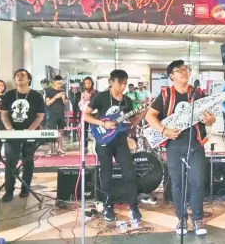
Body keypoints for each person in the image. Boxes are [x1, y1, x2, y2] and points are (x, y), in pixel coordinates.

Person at [145, 60, 216, 235]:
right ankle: (182, 219)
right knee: (177, 184)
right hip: (174, 145)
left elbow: (212, 116)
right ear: (172, 76)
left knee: (198, 182)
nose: (184, 72)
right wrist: (164, 130)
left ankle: (198, 219)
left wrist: (210, 120)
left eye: (186, 69)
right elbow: (149, 116)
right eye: (179, 70)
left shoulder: (198, 92)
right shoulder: (166, 94)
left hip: (196, 144)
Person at [84, 69, 144, 221]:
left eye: (125, 83)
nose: (122, 87)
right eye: (120, 83)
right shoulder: (101, 97)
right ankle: (107, 206)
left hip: (120, 141)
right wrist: (102, 123)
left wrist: (143, 112)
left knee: (129, 172)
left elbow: (132, 124)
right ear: (111, 82)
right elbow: (86, 115)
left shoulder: (127, 101)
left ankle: (134, 206)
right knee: (106, 173)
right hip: (104, 140)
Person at [0, 69, 45, 202]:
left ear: (29, 79)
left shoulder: (36, 96)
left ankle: (25, 188)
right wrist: (9, 128)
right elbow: (3, 113)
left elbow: (40, 116)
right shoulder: (8, 95)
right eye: (17, 75)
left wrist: (30, 130)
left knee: (28, 161)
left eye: (23, 75)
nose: (19, 77)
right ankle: (9, 191)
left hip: (29, 133)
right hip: (11, 133)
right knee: (10, 162)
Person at [45, 75, 68, 156]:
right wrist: (55, 97)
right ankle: (50, 149)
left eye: (61, 83)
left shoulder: (63, 91)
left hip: (61, 113)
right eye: (58, 83)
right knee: (52, 131)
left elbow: (65, 103)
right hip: (52, 114)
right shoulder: (49, 91)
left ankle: (60, 148)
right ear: (54, 83)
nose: (60, 85)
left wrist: (63, 98)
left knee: (61, 131)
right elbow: (47, 103)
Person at [78, 77, 98, 153]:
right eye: (86, 83)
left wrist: (90, 100)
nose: (87, 84)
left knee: (95, 129)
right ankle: (85, 147)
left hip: (94, 113)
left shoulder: (95, 92)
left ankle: (97, 146)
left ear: (92, 83)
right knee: (84, 130)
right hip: (85, 113)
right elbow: (79, 104)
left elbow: (97, 103)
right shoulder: (82, 93)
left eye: (89, 83)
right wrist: (82, 101)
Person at [0, 80, 6, 158]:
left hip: (2, 119)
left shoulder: (5, 97)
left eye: (2, 85)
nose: (1, 87)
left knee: (1, 136)